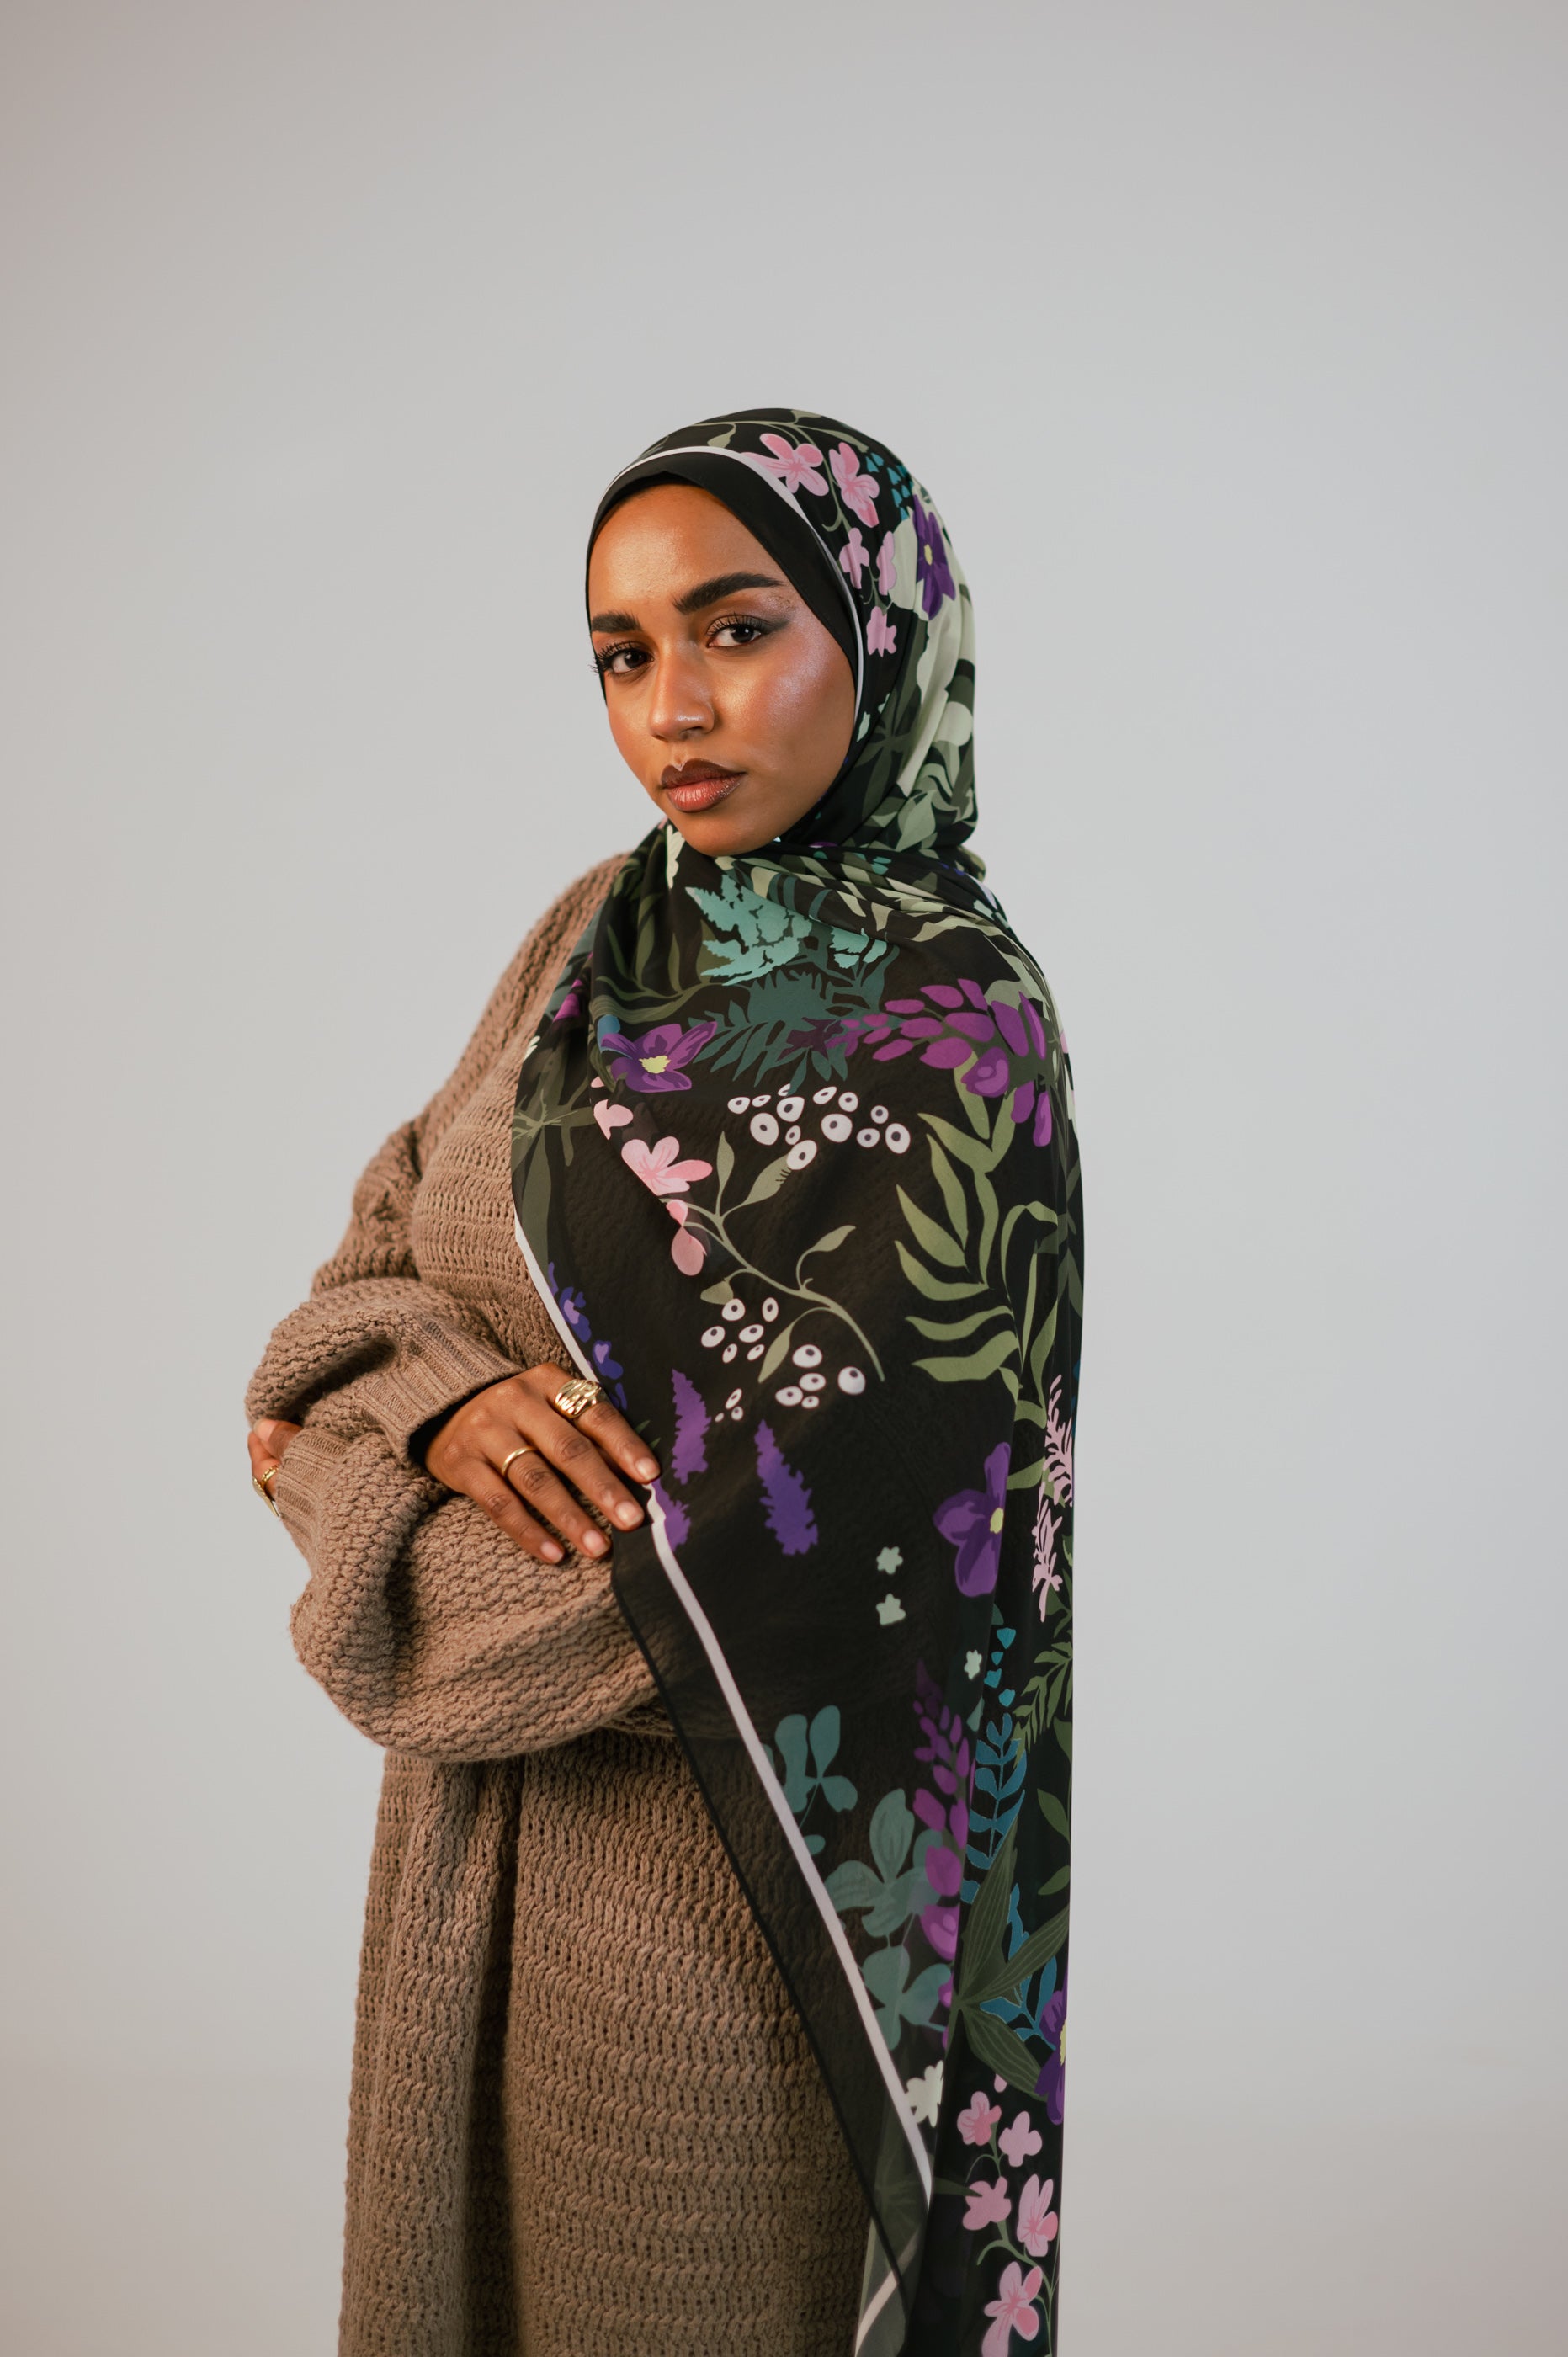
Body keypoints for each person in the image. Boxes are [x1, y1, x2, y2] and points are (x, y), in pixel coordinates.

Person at [247, 410, 1082, 2357]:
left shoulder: (954, 1032)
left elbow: (743, 1545)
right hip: (474, 1872)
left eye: (732, 629)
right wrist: (439, 1405)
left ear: (874, 645)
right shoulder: (589, 941)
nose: (670, 706)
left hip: (745, 1904)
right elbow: (368, 1268)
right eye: (622, 652)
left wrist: (350, 1510)